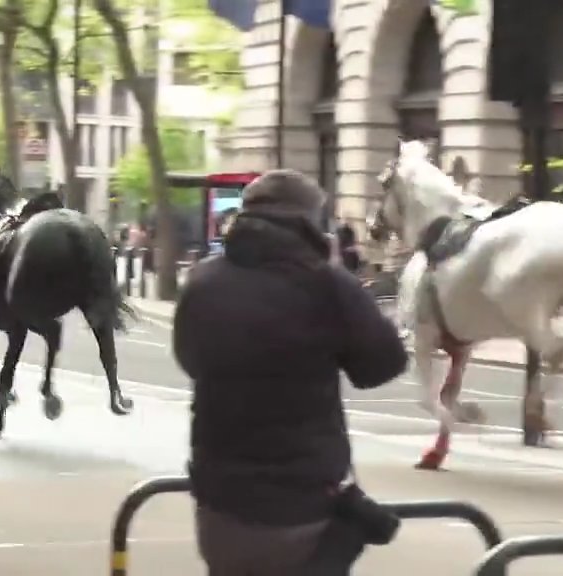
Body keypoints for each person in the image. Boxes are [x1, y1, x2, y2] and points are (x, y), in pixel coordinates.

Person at [173, 169, 408, 575]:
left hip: (219, 498)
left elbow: (190, 359)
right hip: (300, 502)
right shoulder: (325, 283)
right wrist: (340, 278)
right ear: (312, 222)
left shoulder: (202, 280)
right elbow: (383, 364)